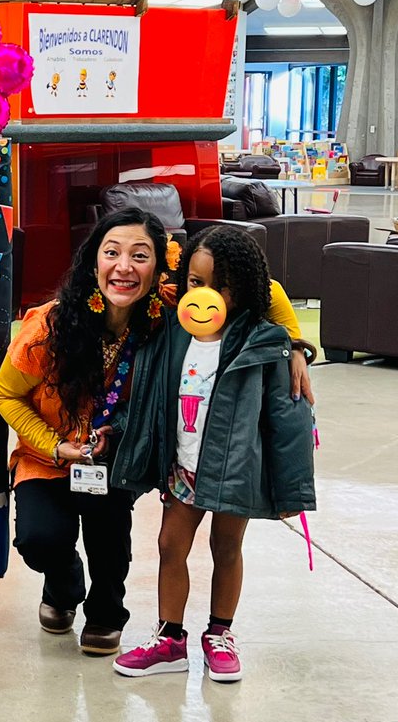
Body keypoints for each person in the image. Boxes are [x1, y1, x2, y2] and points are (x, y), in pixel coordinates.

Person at [111, 225, 316, 682]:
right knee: (169, 545)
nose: (206, 296)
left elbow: (289, 424)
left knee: (227, 547)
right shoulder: (171, 333)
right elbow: (148, 394)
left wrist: (290, 490)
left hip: (235, 468)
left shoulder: (265, 342)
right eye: (196, 283)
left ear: (242, 288)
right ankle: (170, 638)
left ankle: (220, 633)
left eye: (221, 286)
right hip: (182, 466)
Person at [0, 207, 168, 656]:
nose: (124, 266)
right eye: (112, 252)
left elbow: (261, 290)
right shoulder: (48, 327)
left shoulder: (165, 319)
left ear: (158, 268)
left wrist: (297, 348)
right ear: (94, 263)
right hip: (45, 459)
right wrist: (56, 446)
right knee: (38, 541)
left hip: (114, 461)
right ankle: (63, 582)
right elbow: (4, 396)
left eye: (140, 255)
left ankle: (107, 614)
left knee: (111, 542)